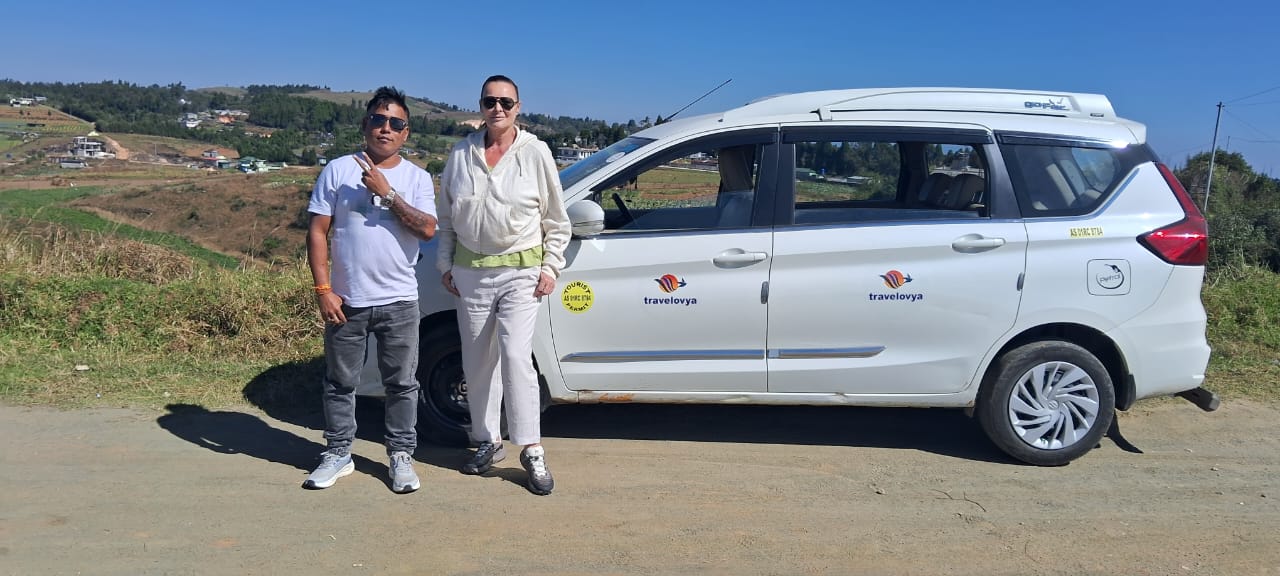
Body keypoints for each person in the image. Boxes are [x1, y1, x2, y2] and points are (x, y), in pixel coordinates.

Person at [436, 75, 570, 495]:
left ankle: (531, 448)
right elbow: (447, 218)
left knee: (515, 358)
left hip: (521, 272)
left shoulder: (535, 152)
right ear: (480, 105)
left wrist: (550, 267)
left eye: (506, 102)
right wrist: (445, 264)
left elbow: (556, 218)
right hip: (470, 274)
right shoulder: (461, 154)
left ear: (518, 107)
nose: (498, 108)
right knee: (477, 361)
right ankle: (487, 440)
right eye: (490, 101)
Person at [303, 86, 437, 493]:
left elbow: (428, 230)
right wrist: (323, 289)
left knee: (402, 384)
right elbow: (317, 231)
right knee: (340, 382)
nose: (386, 128)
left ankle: (400, 455)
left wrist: (388, 193)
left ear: (406, 133)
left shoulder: (417, 178)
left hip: (400, 300)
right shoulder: (337, 170)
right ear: (365, 125)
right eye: (379, 119)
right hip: (347, 300)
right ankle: (338, 453)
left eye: (396, 123)